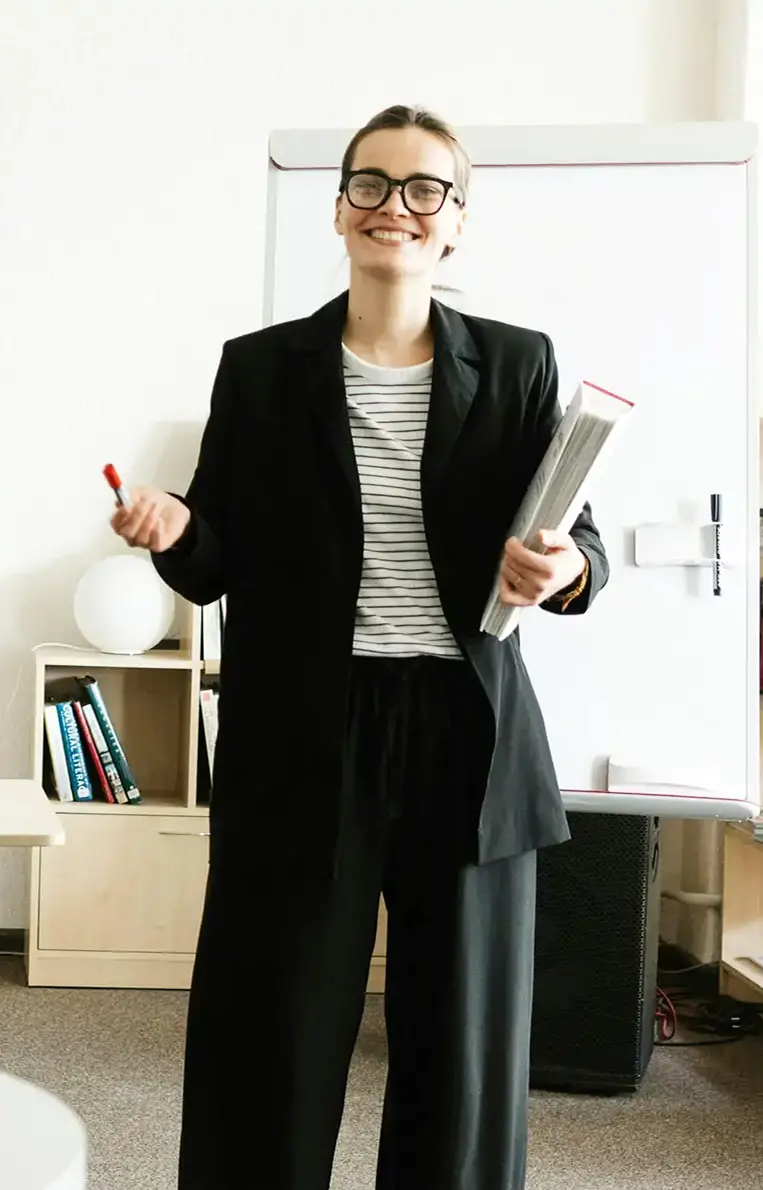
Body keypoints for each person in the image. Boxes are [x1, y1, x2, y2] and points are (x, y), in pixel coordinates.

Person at [111, 104, 608, 1190]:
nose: (396, 205)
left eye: (423, 187)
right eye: (373, 184)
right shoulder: (262, 369)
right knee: (270, 1034)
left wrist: (560, 569)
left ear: (454, 223)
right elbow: (215, 554)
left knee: (458, 1057)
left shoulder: (520, 365)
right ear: (340, 209)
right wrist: (173, 528)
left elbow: (578, 542)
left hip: (464, 738)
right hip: (306, 732)